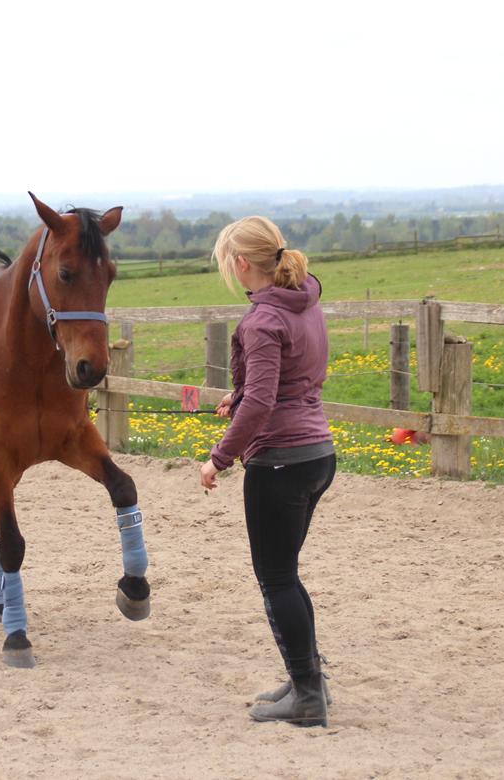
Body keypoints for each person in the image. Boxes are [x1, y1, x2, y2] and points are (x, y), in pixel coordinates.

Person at [200, 216, 336, 728]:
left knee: (276, 579)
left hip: (280, 460)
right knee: (287, 576)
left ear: (240, 265)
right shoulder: (306, 300)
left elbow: (261, 402)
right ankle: (308, 679)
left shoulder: (261, 321)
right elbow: (291, 376)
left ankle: (307, 698)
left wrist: (219, 457)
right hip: (317, 453)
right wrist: (240, 395)